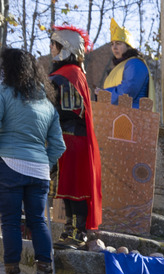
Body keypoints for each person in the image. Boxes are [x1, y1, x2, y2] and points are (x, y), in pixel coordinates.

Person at [0, 48, 65, 274]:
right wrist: (44, 164)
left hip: (8, 164)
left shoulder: (1, 92)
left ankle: (13, 273)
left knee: (10, 221)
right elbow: (58, 144)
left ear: (8, 69)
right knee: (38, 221)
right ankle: (44, 272)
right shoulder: (47, 104)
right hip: (39, 171)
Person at [49, 25, 102, 250]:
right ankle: (69, 230)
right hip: (66, 138)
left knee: (74, 189)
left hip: (71, 138)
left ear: (64, 48)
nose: (51, 48)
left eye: (54, 44)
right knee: (67, 189)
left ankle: (77, 233)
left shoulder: (69, 74)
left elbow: (72, 110)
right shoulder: (67, 74)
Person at [102, 19, 153, 108]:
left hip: (134, 117)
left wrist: (103, 94)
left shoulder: (135, 64)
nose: (114, 47)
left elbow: (128, 91)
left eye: (118, 43)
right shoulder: (122, 66)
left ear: (128, 46)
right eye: (112, 44)